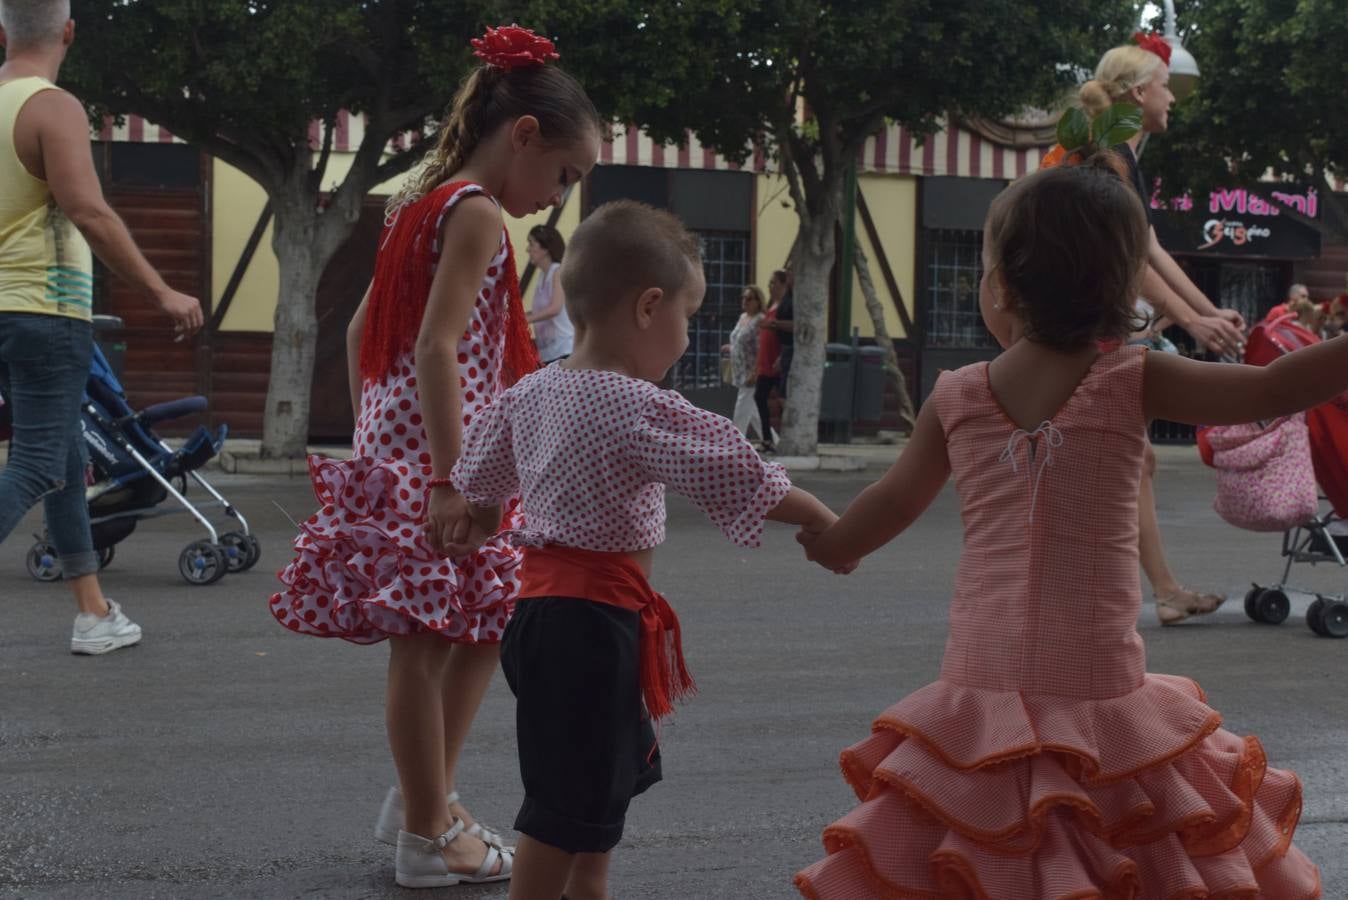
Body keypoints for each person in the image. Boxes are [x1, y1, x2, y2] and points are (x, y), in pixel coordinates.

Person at [793, 158, 1321, 899]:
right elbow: (1274, 386)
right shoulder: (1138, 378)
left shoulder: (956, 395)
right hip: (1103, 695)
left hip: (978, 696)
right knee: (1116, 855)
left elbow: (893, 499)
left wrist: (834, 543)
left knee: (988, 857)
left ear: (1002, 284)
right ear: (1121, 287)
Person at [267, 26, 600, 889]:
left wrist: (378, 438)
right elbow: (437, 347)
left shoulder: (423, 200)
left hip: (407, 452)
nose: (557, 199)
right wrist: (448, 477)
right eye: (563, 175)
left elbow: (359, 335)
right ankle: (424, 832)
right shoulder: (482, 215)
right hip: (446, 464)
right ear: (524, 135)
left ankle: (428, 800)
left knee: (478, 625)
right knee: (430, 642)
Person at [450, 200, 839, 900]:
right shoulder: (635, 405)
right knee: (564, 808)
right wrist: (822, 520)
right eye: (688, 317)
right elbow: (737, 470)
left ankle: (588, 889)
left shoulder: (533, 391)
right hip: (590, 630)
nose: (689, 337)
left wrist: (474, 520)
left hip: (544, 619)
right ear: (648, 307)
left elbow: (479, 481)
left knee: (588, 791)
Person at [0, 0, 203, 655]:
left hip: (6, 308)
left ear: (2, 33)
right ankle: (91, 614)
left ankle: (93, 615)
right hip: (45, 308)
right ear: (68, 31)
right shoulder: (52, 106)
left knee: (62, 460)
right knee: (35, 462)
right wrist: (161, 289)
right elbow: (87, 209)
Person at [1081, 35, 1246, 623]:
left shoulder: (1120, 158)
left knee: (1135, 461)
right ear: (1134, 93)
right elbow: (1130, 258)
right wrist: (1198, 318)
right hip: (1091, 332)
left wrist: (1205, 310)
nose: (1171, 95)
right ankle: (1126, 593)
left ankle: (1161, 590)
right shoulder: (1110, 160)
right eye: (1163, 84)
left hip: (1099, 327)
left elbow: (1147, 248)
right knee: (1114, 462)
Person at [721, 284, 770, 443]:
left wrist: (755, 373)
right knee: (754, 412)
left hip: (751, 372)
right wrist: (731, 348)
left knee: (742, 408)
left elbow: (761, 347)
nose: (745, 301)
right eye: (743, 297)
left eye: (749, 298)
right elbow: (740, 341)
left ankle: (734, 443)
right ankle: (774, 441)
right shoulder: (743, 317)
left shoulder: (760, 320)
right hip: (739, 370)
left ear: (757, 301)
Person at [524, 223, 573, 363]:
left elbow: (555, 308)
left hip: (564, 350)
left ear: (545, 248)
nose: (528, 249)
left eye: (531, 244)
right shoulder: (542, 276)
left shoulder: (557, 271)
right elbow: (540, 310)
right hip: (549, 352)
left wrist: (525, 319)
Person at [754, 270, 788, 453]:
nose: (770, 287)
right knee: (759, 397)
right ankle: (767, 439)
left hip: (777, 362)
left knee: (782, 400)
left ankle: (783, 438)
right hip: (765, 362)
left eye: (774, 283)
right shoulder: (771, 305)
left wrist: (781, 357)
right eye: (769, 283)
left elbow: (786, 335)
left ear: (783, 284)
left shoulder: (785, 306)